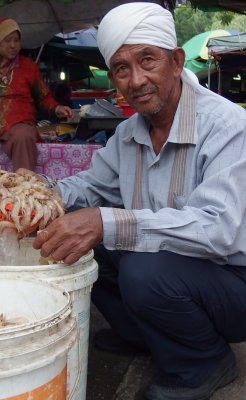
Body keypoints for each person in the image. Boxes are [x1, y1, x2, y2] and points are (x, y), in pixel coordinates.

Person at [17, 3, 246, 400]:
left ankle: (203, 362)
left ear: (175, 61)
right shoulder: (128, 135)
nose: (137, 79)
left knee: (140, 267)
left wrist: (108, 224)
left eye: (148, 60)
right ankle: (147, 337)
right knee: (77, 242)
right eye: (122, 68)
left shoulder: (228, 127)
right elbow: (88, 188)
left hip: (233, 282)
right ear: (114, 78)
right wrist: (34, 191)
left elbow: (219, 231)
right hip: (179, 273)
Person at [0, 17, 73, 171]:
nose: (13, 45)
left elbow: (44, 97)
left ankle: (25, 189)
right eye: (7, 41)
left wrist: (57, 108)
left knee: (23, 136)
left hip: (20, 126)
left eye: (16, 40)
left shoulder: (28, 67)